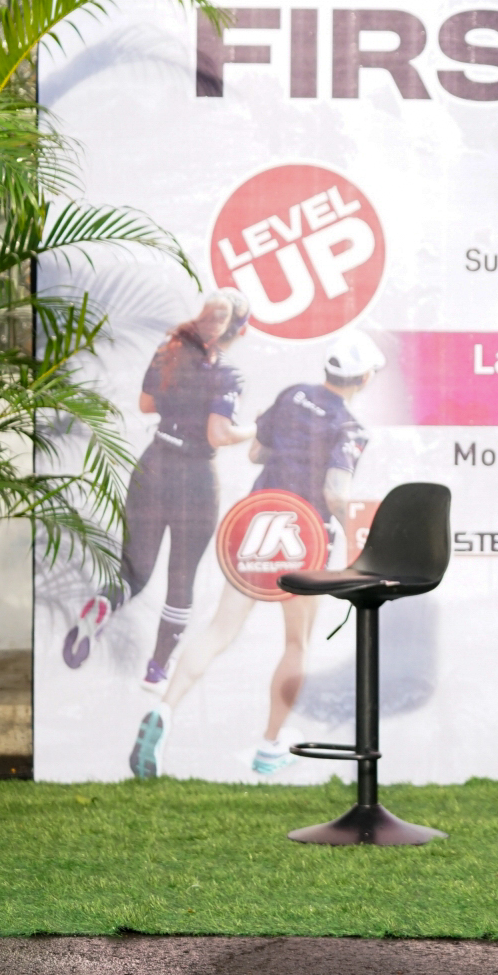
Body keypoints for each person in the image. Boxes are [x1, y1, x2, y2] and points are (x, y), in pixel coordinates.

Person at [128, 332, 385, 780]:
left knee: (219, 629)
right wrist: (360, 541)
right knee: (296, 644)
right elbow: (335, 492)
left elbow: (255, 452)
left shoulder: (292, 395)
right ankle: (269, 746)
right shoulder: (350, 428)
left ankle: (164, 709)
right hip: (303, 537)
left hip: (257, 520)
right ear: (363, 379)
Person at [63, 289, 254, 684]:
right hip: (195, 479)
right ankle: (157, 669)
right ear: (239, 330)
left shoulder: (169, 350)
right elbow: (218, 434)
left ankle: (103, 602)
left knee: (134, 571)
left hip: (153, 464)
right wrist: (255, 429)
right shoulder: (227, 373)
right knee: (181, 578)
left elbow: (146, 404)